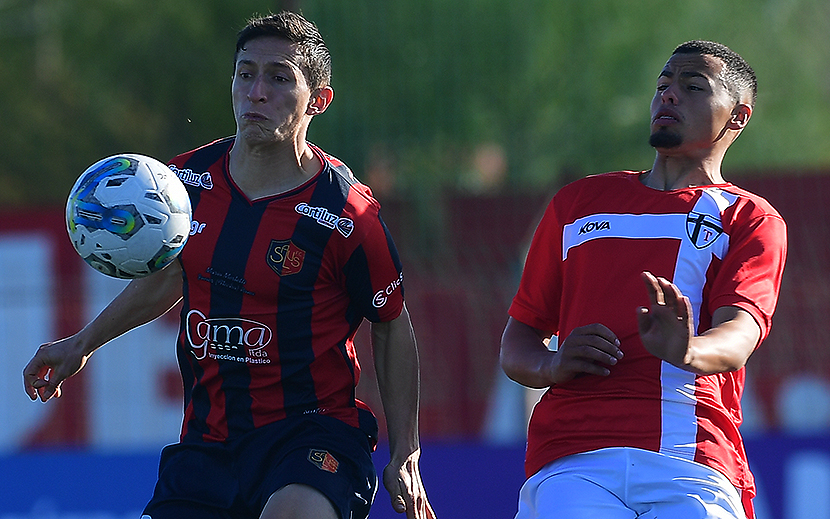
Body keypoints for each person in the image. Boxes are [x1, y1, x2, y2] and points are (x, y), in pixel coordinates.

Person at [23, 11, 436, 519]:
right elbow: (169, 276)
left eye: (279, 77)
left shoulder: (346, 212)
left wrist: (406, 452)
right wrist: (79, 344)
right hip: (209, 442)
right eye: (245, 73)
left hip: (310, 435)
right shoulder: (181, 185)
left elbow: (392, 324)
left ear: (320, 100)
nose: (256, 91)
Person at [500, 40, 786, 519]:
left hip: (692, 463)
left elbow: (740, 333)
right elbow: (518, 341)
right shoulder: (577, 205)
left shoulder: (750, 217)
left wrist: (687, 350)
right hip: (572, 462)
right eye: (663, 85)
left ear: (737, 117)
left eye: (692, 86)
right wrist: (552, 366)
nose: (668, 96)